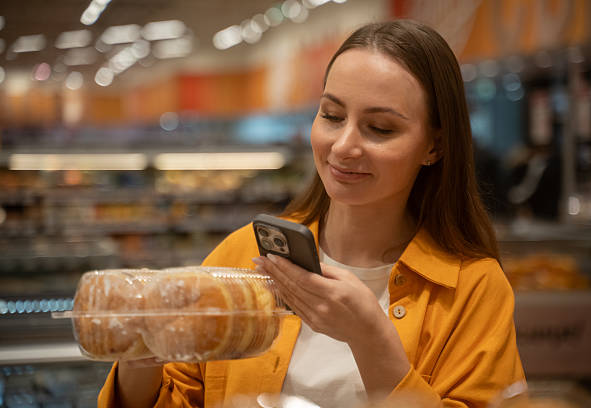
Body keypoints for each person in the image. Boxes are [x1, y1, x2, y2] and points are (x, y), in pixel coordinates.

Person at [98, 19, 525, 407]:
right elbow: (179, 396)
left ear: (435, 145)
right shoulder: (243, 255)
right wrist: (141, 357)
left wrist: (370, 338)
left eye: (380, 128)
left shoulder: (473, 289)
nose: (343, 146)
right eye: (332, 115)